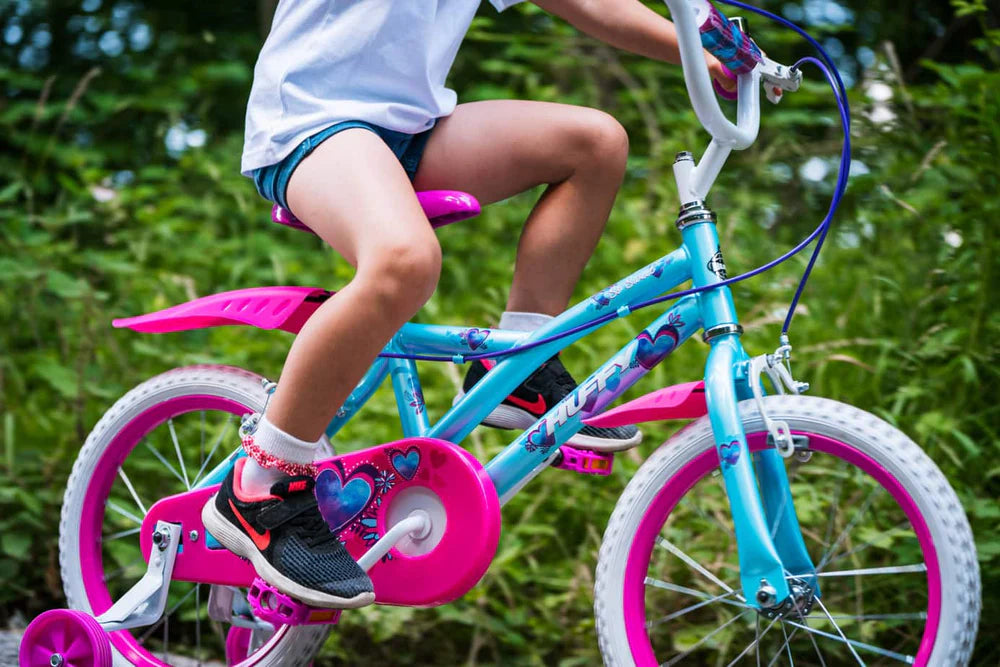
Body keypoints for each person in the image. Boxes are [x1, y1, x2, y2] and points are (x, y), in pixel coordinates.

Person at [202, 0, 737, 610]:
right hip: (313, 124)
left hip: (412, 130)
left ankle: (519, 367)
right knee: (404, 262)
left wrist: (704, 50)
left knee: (596, 142)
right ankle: (263, 485)